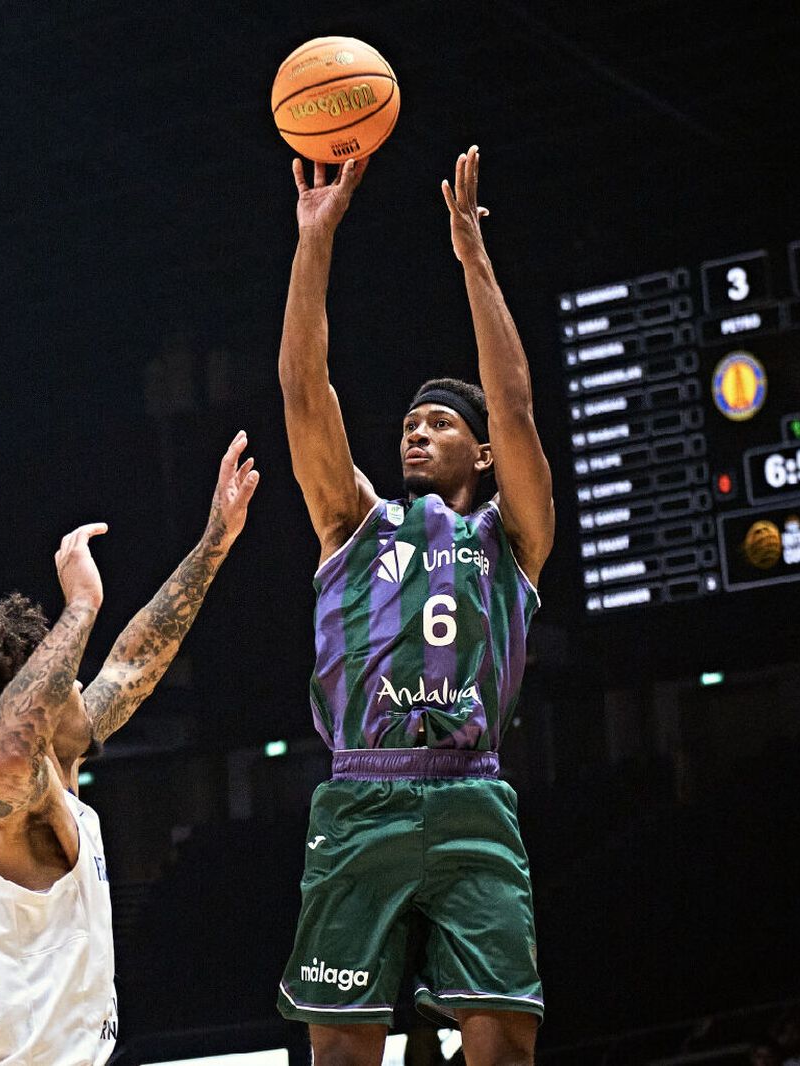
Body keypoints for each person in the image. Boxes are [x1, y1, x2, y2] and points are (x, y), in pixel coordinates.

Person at [272, 144, 555, 1066]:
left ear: (480, 456)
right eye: (410, 424)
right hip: (360, 791)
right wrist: (313, 243)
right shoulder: (354, 521)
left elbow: (513, 407)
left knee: (505, 1042)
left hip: (473, 791)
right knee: (341, 1052)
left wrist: (474, 259)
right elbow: (303, 391)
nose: (417, 430)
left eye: (440, 423)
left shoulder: (512, 540)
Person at [0, 433, 260, 1064]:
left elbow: (135, 661)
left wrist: (215, 542)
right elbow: (14, 739)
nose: (77, 681)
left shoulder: (52, 777)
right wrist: (82, 604)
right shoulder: (6, 804)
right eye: (59, 677)